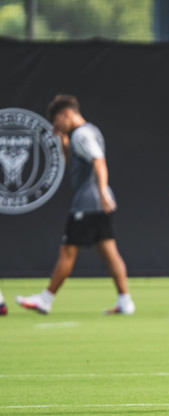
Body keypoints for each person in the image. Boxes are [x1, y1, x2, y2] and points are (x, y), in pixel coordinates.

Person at [16, 95, 135, 315]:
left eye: (56, 120)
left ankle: (45, 299)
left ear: (67, 113)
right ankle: (125, 301)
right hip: (99, 203)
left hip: (88, 204)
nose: (55, 125)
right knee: (109, 251)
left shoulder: (82, 134)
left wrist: (101, 192)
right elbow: (79, 167)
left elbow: (98, 160)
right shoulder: (87, 132)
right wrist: (64, 145)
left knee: (67, 252)